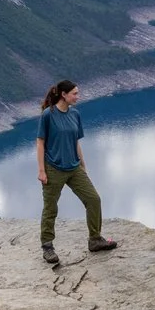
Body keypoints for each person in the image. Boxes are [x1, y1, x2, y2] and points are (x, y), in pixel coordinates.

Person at [37, 80, 118, 264]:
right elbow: (40, 142)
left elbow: (75, 141)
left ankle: (95, 239)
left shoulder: (75, 114)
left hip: (74, 168)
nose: (78, 96)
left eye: (77, 93)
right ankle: (47, 246)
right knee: (51, 208)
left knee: (93, 199)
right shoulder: (48, 115)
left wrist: (83, 165)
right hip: (53, 168)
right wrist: (41, 170)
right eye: (74, 93)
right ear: (63, 95)